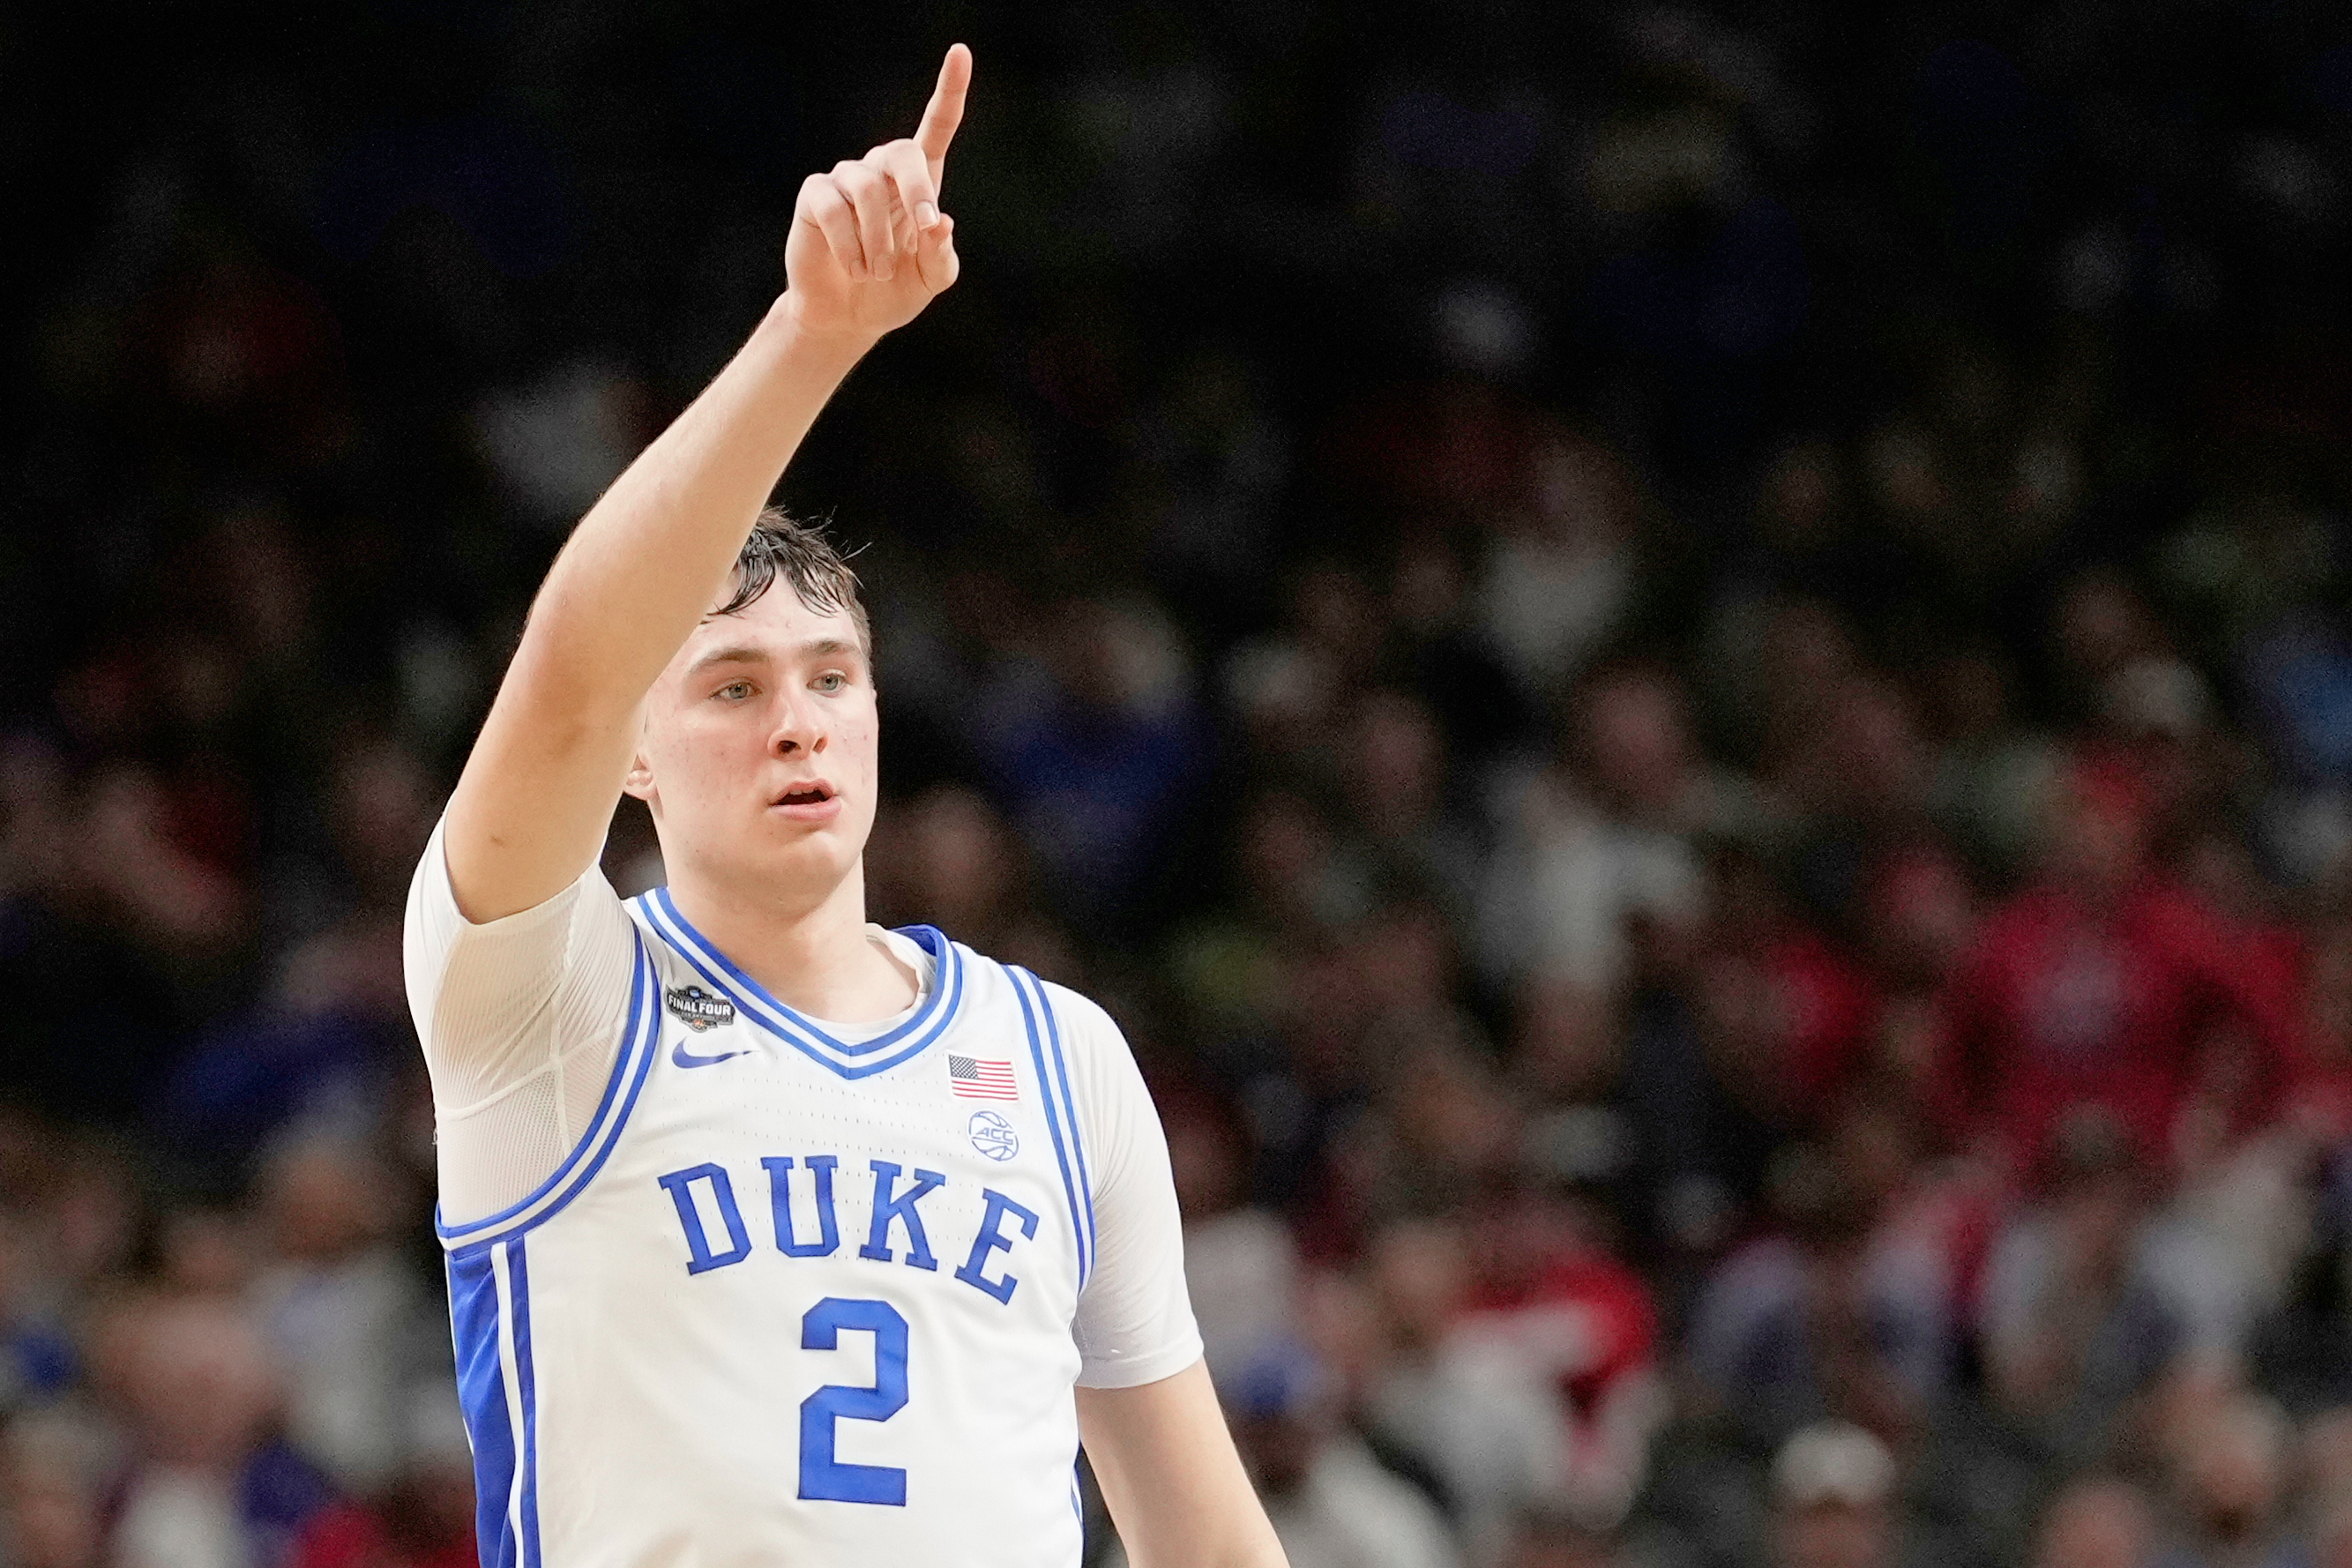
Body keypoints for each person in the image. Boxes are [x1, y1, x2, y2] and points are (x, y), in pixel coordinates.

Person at [399, 46, 1285, 1568]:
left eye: (829, 676)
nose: (796, 720)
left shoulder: (1060, 1062)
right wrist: (815, 336)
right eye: (733, 686)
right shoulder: (550, 1003)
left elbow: (1207, 1544)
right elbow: (562, 675)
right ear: (635, 750)